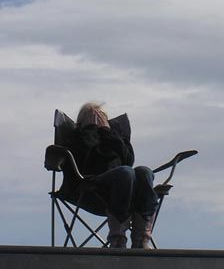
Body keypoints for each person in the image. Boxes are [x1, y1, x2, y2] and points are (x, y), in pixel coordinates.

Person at [63, 102, 158, 249]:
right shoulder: (77, 138)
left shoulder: (114, 136)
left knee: (144, 172)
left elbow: (128, 159)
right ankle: (118, 238)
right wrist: (90, 130)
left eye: (100, 116)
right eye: (92, 116)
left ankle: (141, 239)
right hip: (91, 185)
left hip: (124, 187)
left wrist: (107, 132)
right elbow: (83, 159)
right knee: (125, 173)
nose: (97, 119)